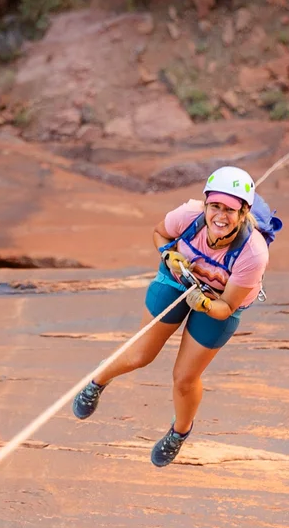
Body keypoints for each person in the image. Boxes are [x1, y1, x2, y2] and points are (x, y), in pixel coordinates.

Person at [72, 166, 270, 468]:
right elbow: (159, 233)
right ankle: (97, 380)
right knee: (140, 355)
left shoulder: (252, 253)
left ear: (243, 212)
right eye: (215, 206)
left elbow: (226, 308)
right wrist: (168, 254)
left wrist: (202, 302)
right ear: (205, 204)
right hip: (176, 278)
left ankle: (180, 432)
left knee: (184, 379)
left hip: (217, 301)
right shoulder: (189, 216)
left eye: (230, 209)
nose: (220, 215)